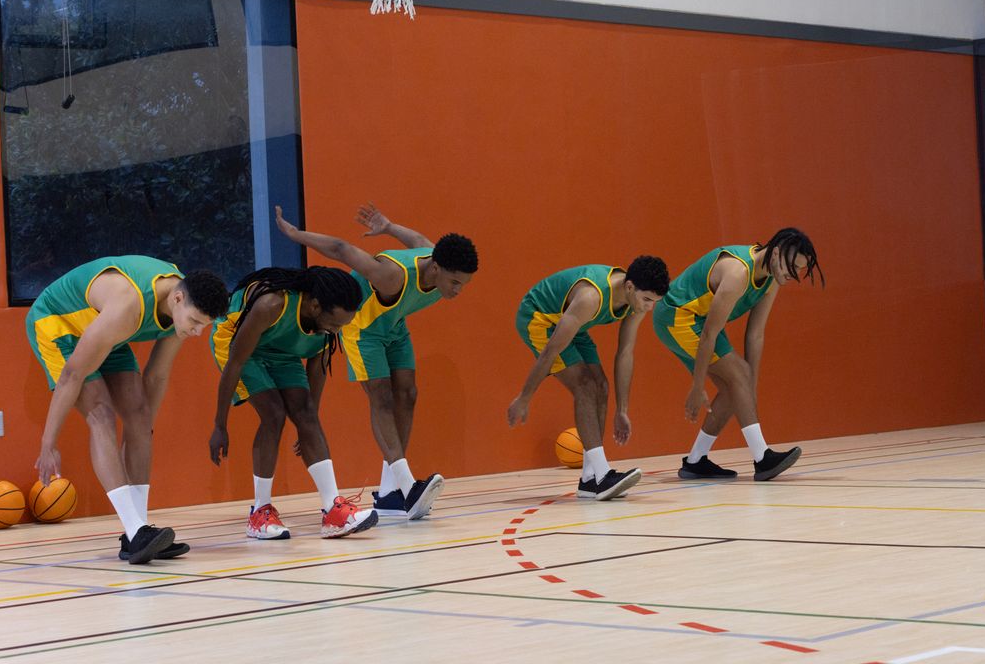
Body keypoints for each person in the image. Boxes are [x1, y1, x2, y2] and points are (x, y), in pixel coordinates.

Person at [275, 203, 478, 520]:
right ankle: (408, 486)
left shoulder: (434, 257)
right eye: (455, 282)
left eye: (463, 284)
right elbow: (341, 249)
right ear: (437, 269)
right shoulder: (392, 276)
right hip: (362, 328)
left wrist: (389, 226)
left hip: (393, 325)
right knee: (381, 396)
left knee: (408, 395)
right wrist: (294, 233)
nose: (458, 290)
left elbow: (419, 240)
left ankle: (388, 494)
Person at [27, 256, 229, 564]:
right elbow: (71, 375)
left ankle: (138, 534)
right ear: (177, 299)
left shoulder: (180, 306)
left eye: (205, 325)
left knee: (139, 415)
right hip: (59, 325)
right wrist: (48, 443)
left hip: (106, 330)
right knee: (101, 414)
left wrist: (145, 428)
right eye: (195, 322)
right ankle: (136, 530)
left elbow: (157, 376)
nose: (198, 332)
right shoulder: (127, 305)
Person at [209, 266, 379, 540]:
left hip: (282, 351)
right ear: (314, 305)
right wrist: (220, 425)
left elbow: (318, 371)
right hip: (238, 345)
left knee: (306, 413)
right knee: (274, 414)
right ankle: (259, 513)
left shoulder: (326, 325)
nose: (337, 331)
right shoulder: (272, 305)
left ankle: (333, 510)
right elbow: (236, 362)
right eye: (335, 324)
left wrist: (308, 424)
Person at [652, 228, 823, 481]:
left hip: (702, 321)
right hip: (677, 316)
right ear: (776, 253)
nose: (794, 274)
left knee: (736, 388)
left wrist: (749, 386)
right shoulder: (738, 273)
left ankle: (696, 461)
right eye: (792, 266)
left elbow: (755, 334)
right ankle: (762, 458)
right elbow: (709, 334)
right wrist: (697, 386)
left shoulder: (772, 278)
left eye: (799, 269)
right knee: (738, 377)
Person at [507, 258, 670, 500]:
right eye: (647, 300)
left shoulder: (636, 301)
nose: (649, 308)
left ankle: (589, 479)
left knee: (601, 385)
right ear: (629, 287)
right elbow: (550, 351)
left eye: (655, 302)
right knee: (584, 385)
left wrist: (622, 410)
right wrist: (524, 396)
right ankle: (603, 475)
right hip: (539, 318)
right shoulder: (590, 297)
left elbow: (625, 353)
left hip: (573, 323)